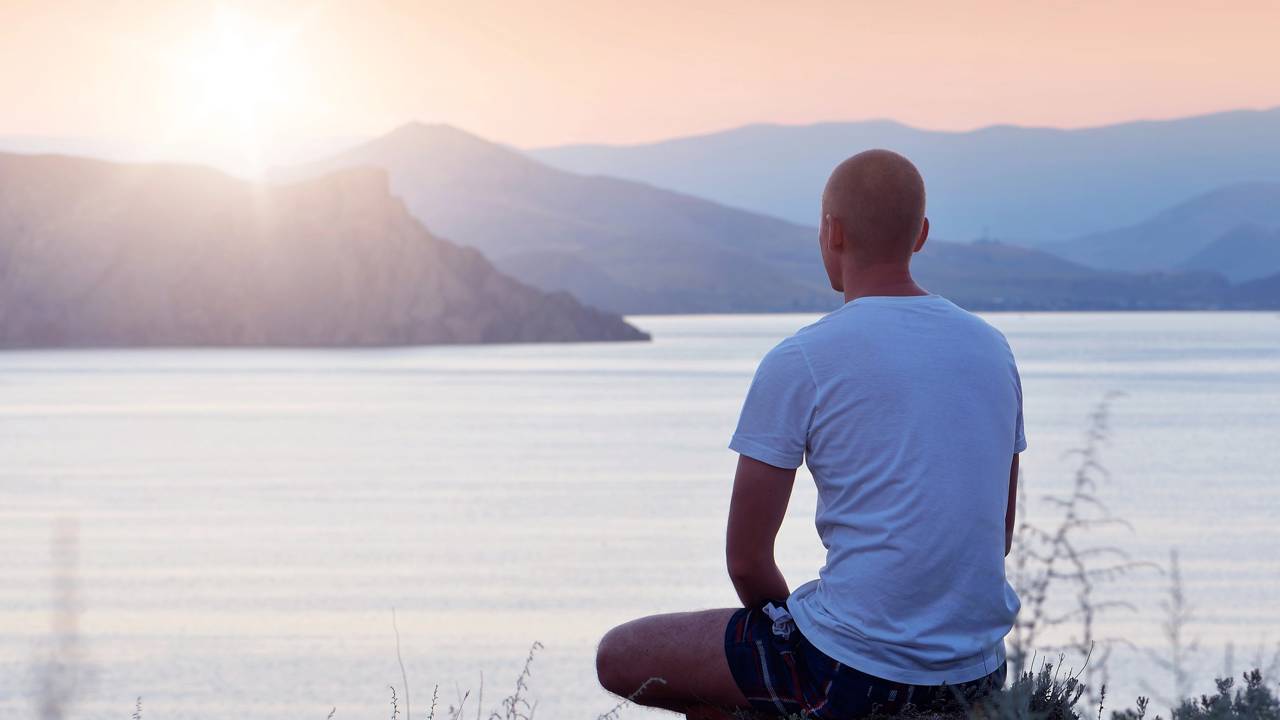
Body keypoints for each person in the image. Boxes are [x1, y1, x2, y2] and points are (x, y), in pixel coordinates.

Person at [594, 149, 1025, 719]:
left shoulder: (803, 358)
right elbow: (998, 536)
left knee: (621, 654)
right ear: (921, 234)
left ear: (831, 230)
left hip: (852, 671)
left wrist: (792, 634)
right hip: (978, 675)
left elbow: (747, 562)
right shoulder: (993, 349)